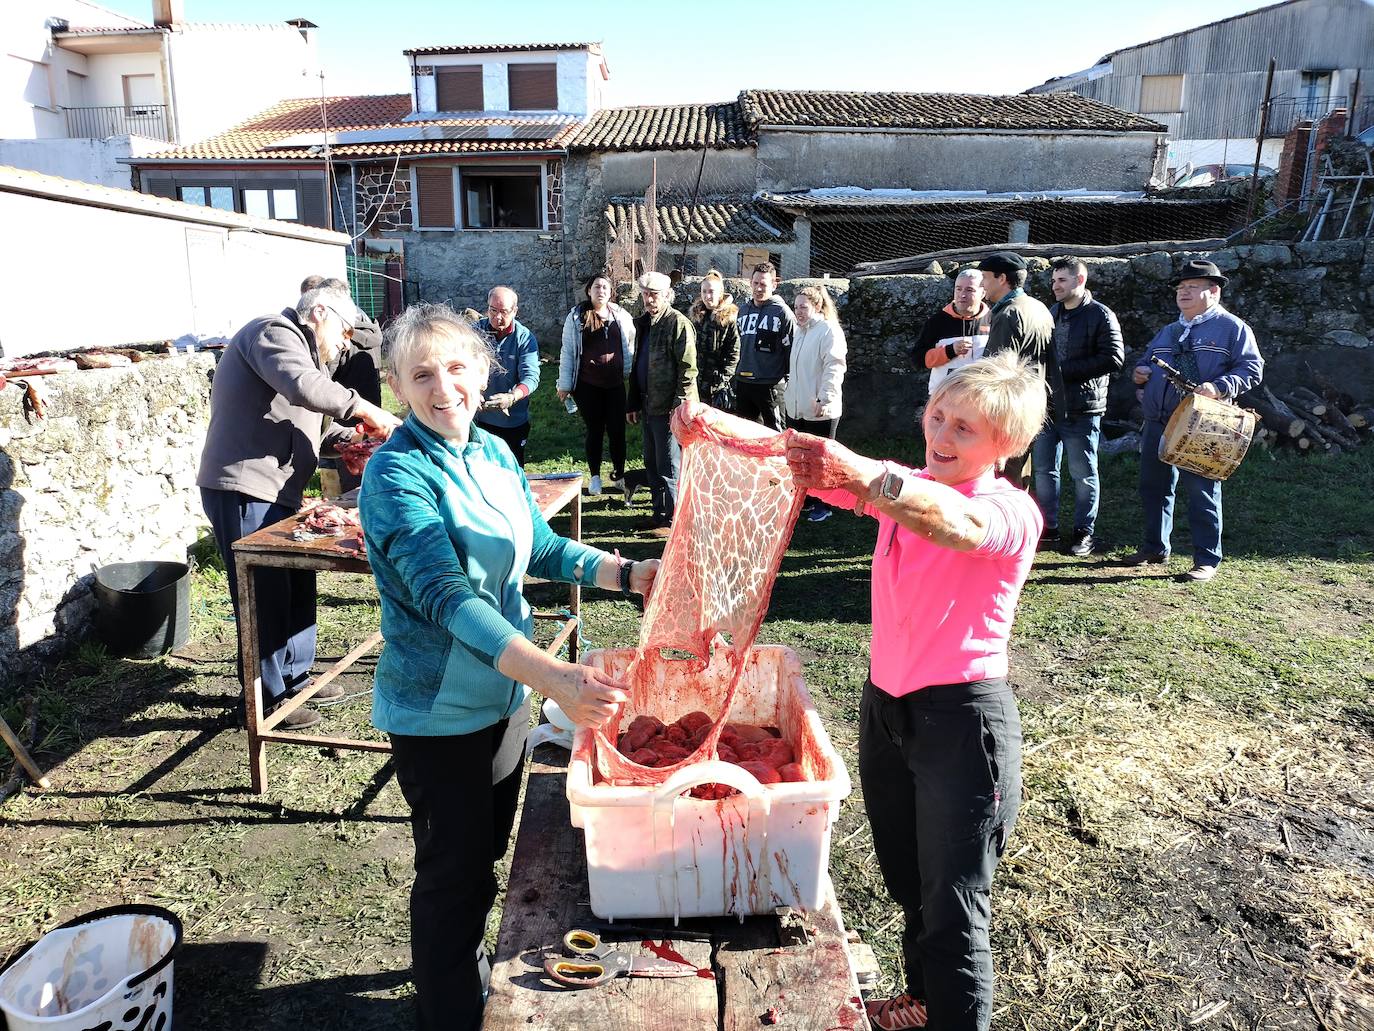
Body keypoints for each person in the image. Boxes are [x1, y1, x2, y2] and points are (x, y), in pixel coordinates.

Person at [360, 302, 660, 1031]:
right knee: (453, 875)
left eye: (456, 367)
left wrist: (629, 572)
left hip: (502, 702)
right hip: (437, 714)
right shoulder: (395, 475)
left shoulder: (493, 453)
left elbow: (544, 548)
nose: (443, 388)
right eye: (422, 374)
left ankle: (454, 970)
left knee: (489, 851)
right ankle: (449, 1010)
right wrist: (554, 676)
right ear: (398, 385)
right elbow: (446, 598)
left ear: (482, 369)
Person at [785, 351, 1046, 1031]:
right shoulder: (910, 485)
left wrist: (873, 477)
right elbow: (820, 473)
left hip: (962, 724)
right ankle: (926, 1000)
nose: (944, 434)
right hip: (888, 711)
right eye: (939, 416)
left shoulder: (1008, 510)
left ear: (1006, 445)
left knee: (956, 906)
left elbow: (952, 524)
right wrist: (726, 431)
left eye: (967, 428)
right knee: (910, 883)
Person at [198, 284, 401, 730]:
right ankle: (266, 698)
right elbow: (305, 388)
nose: (345, 341)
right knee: (262, 591)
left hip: (279, 490)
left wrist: (348, 441)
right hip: (244, 488)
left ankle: (297, 677)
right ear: (319, 313)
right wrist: (367, 409)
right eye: (344, 330)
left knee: (295, 578)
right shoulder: (272, 331)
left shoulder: (306, 358)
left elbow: (307, 426)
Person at [1127, 259, 1263, 582]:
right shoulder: (1169, 330)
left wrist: (1218, 387)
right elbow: (1146, 362)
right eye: (1181, 288)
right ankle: (1154, 547)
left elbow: (1252, 369)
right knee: (1153, 487)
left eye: (1192, 287)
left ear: (1213, 292)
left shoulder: (1233, 329)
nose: (1183, 293)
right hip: (1159, 423)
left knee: (1202, 490)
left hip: (1204, 425)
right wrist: (1140, 373)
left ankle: (1206, 560)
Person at [1032, 257, 1125, 555]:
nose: (1054, 286)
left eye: (1061, 280)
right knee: (1045, 471)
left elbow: (1114, 358)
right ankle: (1048, 529)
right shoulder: (1051, 313)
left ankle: (1083, 532)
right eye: (1053, 280)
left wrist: (1063, 372)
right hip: (1047, 408)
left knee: (1083, 472)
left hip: (1083, 409)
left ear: (1079, 280)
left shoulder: (1101, 315)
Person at [626, 271, 697, 535]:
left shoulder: (677, 323)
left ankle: (672, 520)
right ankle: (659, 514)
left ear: (666, 296)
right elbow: (638, 366)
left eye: (654, 295)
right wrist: (632, 402)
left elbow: (688, 370)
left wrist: (678, 408)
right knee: (652, 462)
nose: (649, 300)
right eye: (645, 294)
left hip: (669, 409)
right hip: (648, 405)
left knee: (669, 465)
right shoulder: (645, 324)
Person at [557, 273, 637, 497]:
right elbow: (568, 352)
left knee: (617, 431)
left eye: (605, 287)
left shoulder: (621, 316)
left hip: (615, 385)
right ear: (589, 291)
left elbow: (630, 343)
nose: (601, 290)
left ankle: (619, 476)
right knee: (595, 431)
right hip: (588, 385)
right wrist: (564, 384)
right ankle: (594, 477)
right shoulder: (576, 317)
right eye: (596, 287)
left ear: (610, 292)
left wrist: (628, 370)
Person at [303, 274, 384, 492]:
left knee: (353, 486)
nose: (346, 342)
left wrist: (363, 411)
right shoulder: (369, 326)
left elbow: (318, 385)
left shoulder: (334, 338)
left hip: (348, 417)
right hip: (358, 418)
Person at [978, 251, 1054, 486]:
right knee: (1023, 470)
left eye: (986, 277)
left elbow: (997, 370)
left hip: (1009, 409)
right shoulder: (1039, 308)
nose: (982, 284)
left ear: (1002, 279)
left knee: (1004, 476)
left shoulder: (1009, 314)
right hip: (1035, 403)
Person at [784, 285, 847, 523]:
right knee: (801, 457)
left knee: (821, 458)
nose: (798, 312)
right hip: (798, 406)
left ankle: (826, 504)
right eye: (796, 307)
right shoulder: (800, 332)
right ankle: (807, 499)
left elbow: (834, 365)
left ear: (817, 306)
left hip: (820, 408)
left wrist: (826, 397)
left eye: (803, 307)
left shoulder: (828, 330)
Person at [475, 286, 540, 466]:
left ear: (515, 311)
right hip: (479, 419)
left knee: (513, 470)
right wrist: (472, 391)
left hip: (512, 420)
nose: (497, 317)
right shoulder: (474, 332)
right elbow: (459, 366)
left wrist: (512, 397)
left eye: (503, 312)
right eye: (492, 310)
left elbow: (531, 377)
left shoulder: (524, 338)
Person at [732, 261, 796, 430]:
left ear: (774, 285)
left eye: (763, 284)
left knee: (775, 436)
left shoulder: (783, 313)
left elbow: (793, 351)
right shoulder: (743, 310)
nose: (758, 289)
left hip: (771, 385)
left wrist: (789, 383)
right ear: (750, 283)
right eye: (755, 283)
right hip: (744, 383)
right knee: (745, 436)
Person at [914, 268, 991, 397]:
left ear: (983, 293)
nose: (962, 295)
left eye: (969, 289)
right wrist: (949, 351)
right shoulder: (937, 321)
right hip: (944, 400)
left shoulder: (994, 320)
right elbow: (917, 360)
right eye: (958, 289)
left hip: (981, 399)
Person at [689, 269, 741, 411]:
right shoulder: (696, 316)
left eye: (711, 291)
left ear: (720, 293)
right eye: (704, 292)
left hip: (719, 384)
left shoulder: (729, 318)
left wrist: (723, 379)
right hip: (697, 383)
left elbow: (734, 353)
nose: (707, 296)